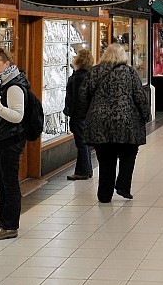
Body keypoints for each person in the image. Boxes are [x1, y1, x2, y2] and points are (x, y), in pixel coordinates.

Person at [78, 43, 150, 203]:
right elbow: (139, 96)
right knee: (129, 154)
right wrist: (146, 115)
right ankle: (123, 186)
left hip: (100, 122)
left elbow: (83, 95)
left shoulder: (94, 72)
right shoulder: (130, 72)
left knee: (105, 159)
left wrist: (88, 113)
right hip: (126, 121)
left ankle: (104, 194)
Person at [0, 48, 30, 240]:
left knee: (9, 182)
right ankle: (4, 219)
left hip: (11, 139)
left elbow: (17, 116)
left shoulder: (13, 87)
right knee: (1, 180)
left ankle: (10, 226)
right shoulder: (1, 84)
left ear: (6, 65)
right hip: (2, 138)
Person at [64, 47, 95, 180]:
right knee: (85, 143)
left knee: (81, 144)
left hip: (78, 115)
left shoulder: (78, 77)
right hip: (86, 115)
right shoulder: (89, 75)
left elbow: (77, 98)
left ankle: (82, 171)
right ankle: (87, 169)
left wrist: (73, 114)